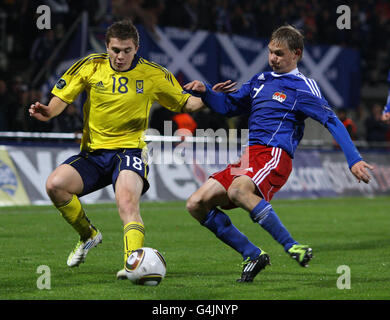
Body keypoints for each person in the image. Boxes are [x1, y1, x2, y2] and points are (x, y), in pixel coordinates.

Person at [183, 25, 373, 283]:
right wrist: (206, 92)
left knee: (238, 191)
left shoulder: (303, 87)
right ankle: (252, 254)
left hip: (275, 155)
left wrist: (354, 159)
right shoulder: (260, 81)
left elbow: (332, 121)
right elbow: (228, 107)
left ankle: (292, 245)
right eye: (271, 52)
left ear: (296, 54)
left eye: (279, 54)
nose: (273, 58)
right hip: (250, 157)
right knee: (196, 203)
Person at [29, 19, 207, 279]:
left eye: (126, 50)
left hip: (129, 151)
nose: (120, 56)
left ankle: (132, 264)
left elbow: (186, 104)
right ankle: (88, 235)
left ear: (136, 48)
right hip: (93, 153)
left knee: (126, 203)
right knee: (55, 185)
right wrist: (47, 112)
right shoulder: (91, 66)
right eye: (115, 50)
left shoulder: (153, 74)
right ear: (107, 47)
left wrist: (208, 94)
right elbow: (62, 98)